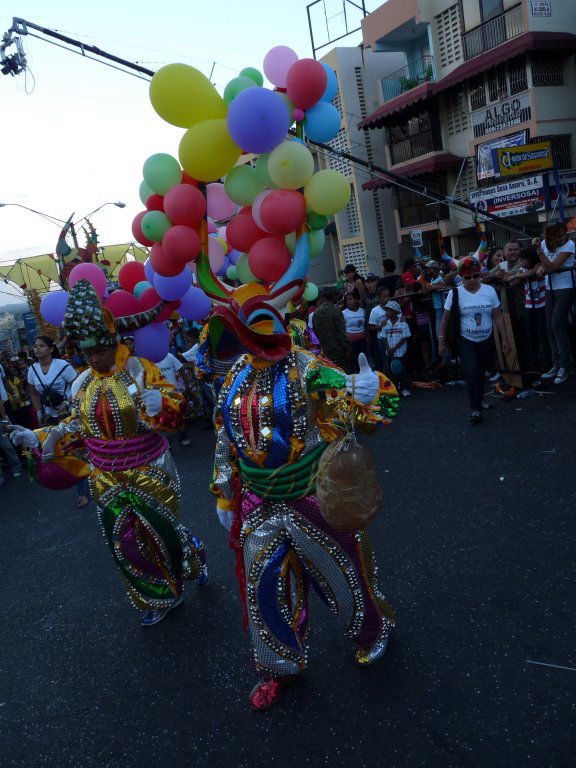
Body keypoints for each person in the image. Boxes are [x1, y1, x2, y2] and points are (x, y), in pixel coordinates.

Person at [198, 235, 399, 711]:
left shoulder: (308, 368)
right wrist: (225, 496)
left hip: (312, 495)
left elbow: (367, 404)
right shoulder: (233, 379)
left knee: (342, 576)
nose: (255, 340)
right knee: (264, 586)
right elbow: (225, 440)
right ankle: (278, 667)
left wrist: (368, 392)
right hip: (258, 502)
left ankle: (372, 630)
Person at [10, 279, 208, 626]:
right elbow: (76, 426)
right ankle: (158, 596)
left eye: (98, 351)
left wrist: (164, 403)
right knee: (125, 540)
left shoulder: (140, 370)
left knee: (163, 533)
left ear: (113, 343)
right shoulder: (81, 383)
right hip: (104, 475)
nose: (92, 358)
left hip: (150, 467)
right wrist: (40, 436)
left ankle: (193, 558)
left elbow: (176, 411)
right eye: (86, 353)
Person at [438, 257, 510, 424]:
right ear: (461, 277)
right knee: (471, 371)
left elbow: (497, 316)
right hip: (466, 339)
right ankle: (475, 409)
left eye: (476, 276)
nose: (472, 280)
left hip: (486, 338)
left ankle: (479, 399)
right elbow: (445, 319)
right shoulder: (454, 293)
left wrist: (504, 339)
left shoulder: (489, 291)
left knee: (481, 371)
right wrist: (441, 341)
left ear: (481, 275)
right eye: (467, 277)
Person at [27, 335, 89, 508]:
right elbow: (33, 393)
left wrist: (67, 403)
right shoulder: (32, 369)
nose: (37, 349)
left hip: (68, 415)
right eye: (35, 346)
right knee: (60, 453)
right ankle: (78, 479)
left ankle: (82, 492)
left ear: (51, 349)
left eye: (41, 346)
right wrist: (39, 411)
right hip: (49, 417)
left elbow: (79, 387)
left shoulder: (62, 366)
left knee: (73, 451)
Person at [537, 221, 575, 384]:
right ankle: (556, 363)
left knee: (557, 326)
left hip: (566, 287)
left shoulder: (570, 245)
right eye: (558, 236)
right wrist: (540, 266)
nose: (563, 238)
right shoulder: (545, 243)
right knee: (549, 327)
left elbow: (551, 267)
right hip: (549, 288)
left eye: (564, 234)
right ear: (550, 236)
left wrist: (539, 251)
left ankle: (565, 366)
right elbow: (544, 264)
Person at [506, 246, 551, 380]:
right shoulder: (522, 269)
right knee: (531, 335)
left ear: (530, 259)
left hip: (542, 304)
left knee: (543, 334)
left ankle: (547, 363)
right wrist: (512, 277)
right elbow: (512, 283)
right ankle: (534, 363)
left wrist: (515, 275)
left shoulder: (539, 265)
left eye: (522, 259)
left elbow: (532, 273)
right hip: (529, 306)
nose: (520, 261)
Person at [156, 351, 192, 445]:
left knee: (179, 415)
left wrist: (186, 386)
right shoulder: (147, 360)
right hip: (158, 394)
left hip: (173, 392)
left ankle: (183, 436)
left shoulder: (168, 356)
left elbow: (180, 369)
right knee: (163, 419)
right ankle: (167, 442)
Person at [312, 290, 349, 369]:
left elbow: (315, 333)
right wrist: (347, 348)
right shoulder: (335, 310)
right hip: (338, 352)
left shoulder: (316, 312)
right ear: (333, 298)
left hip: (324, 352)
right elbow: (341, 332)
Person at [381, 300, 411, 397]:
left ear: (394, 312)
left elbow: (404, 337)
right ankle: (392, 389)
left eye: (388, 311)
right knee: (389, 372)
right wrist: (388, 349)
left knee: (402, 371)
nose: (386, 313)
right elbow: (384, 338)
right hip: (390, 353)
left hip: (400, 353)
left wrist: (393, 349)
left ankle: (404, 388)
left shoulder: (403, 323)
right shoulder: (386, 324)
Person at [342, 290, 367, 373]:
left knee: (363, 360)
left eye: (350, 299)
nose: (348, 301)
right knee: (354, 361)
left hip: (362, 342)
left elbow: (366, 326)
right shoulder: (343, 313)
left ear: (356, 300)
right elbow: (342, 329)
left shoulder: (363, 311)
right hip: (351, 343)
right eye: (347, 300)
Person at [368, 287, 391, 372]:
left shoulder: (393, 307)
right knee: (385, 361)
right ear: (379, 298)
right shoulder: (375, 311)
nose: (387, 298)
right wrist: (380, 326)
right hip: (382, 339)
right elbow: (371, 328)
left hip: (394, 337)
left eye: (388, 296)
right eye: (384, 296)